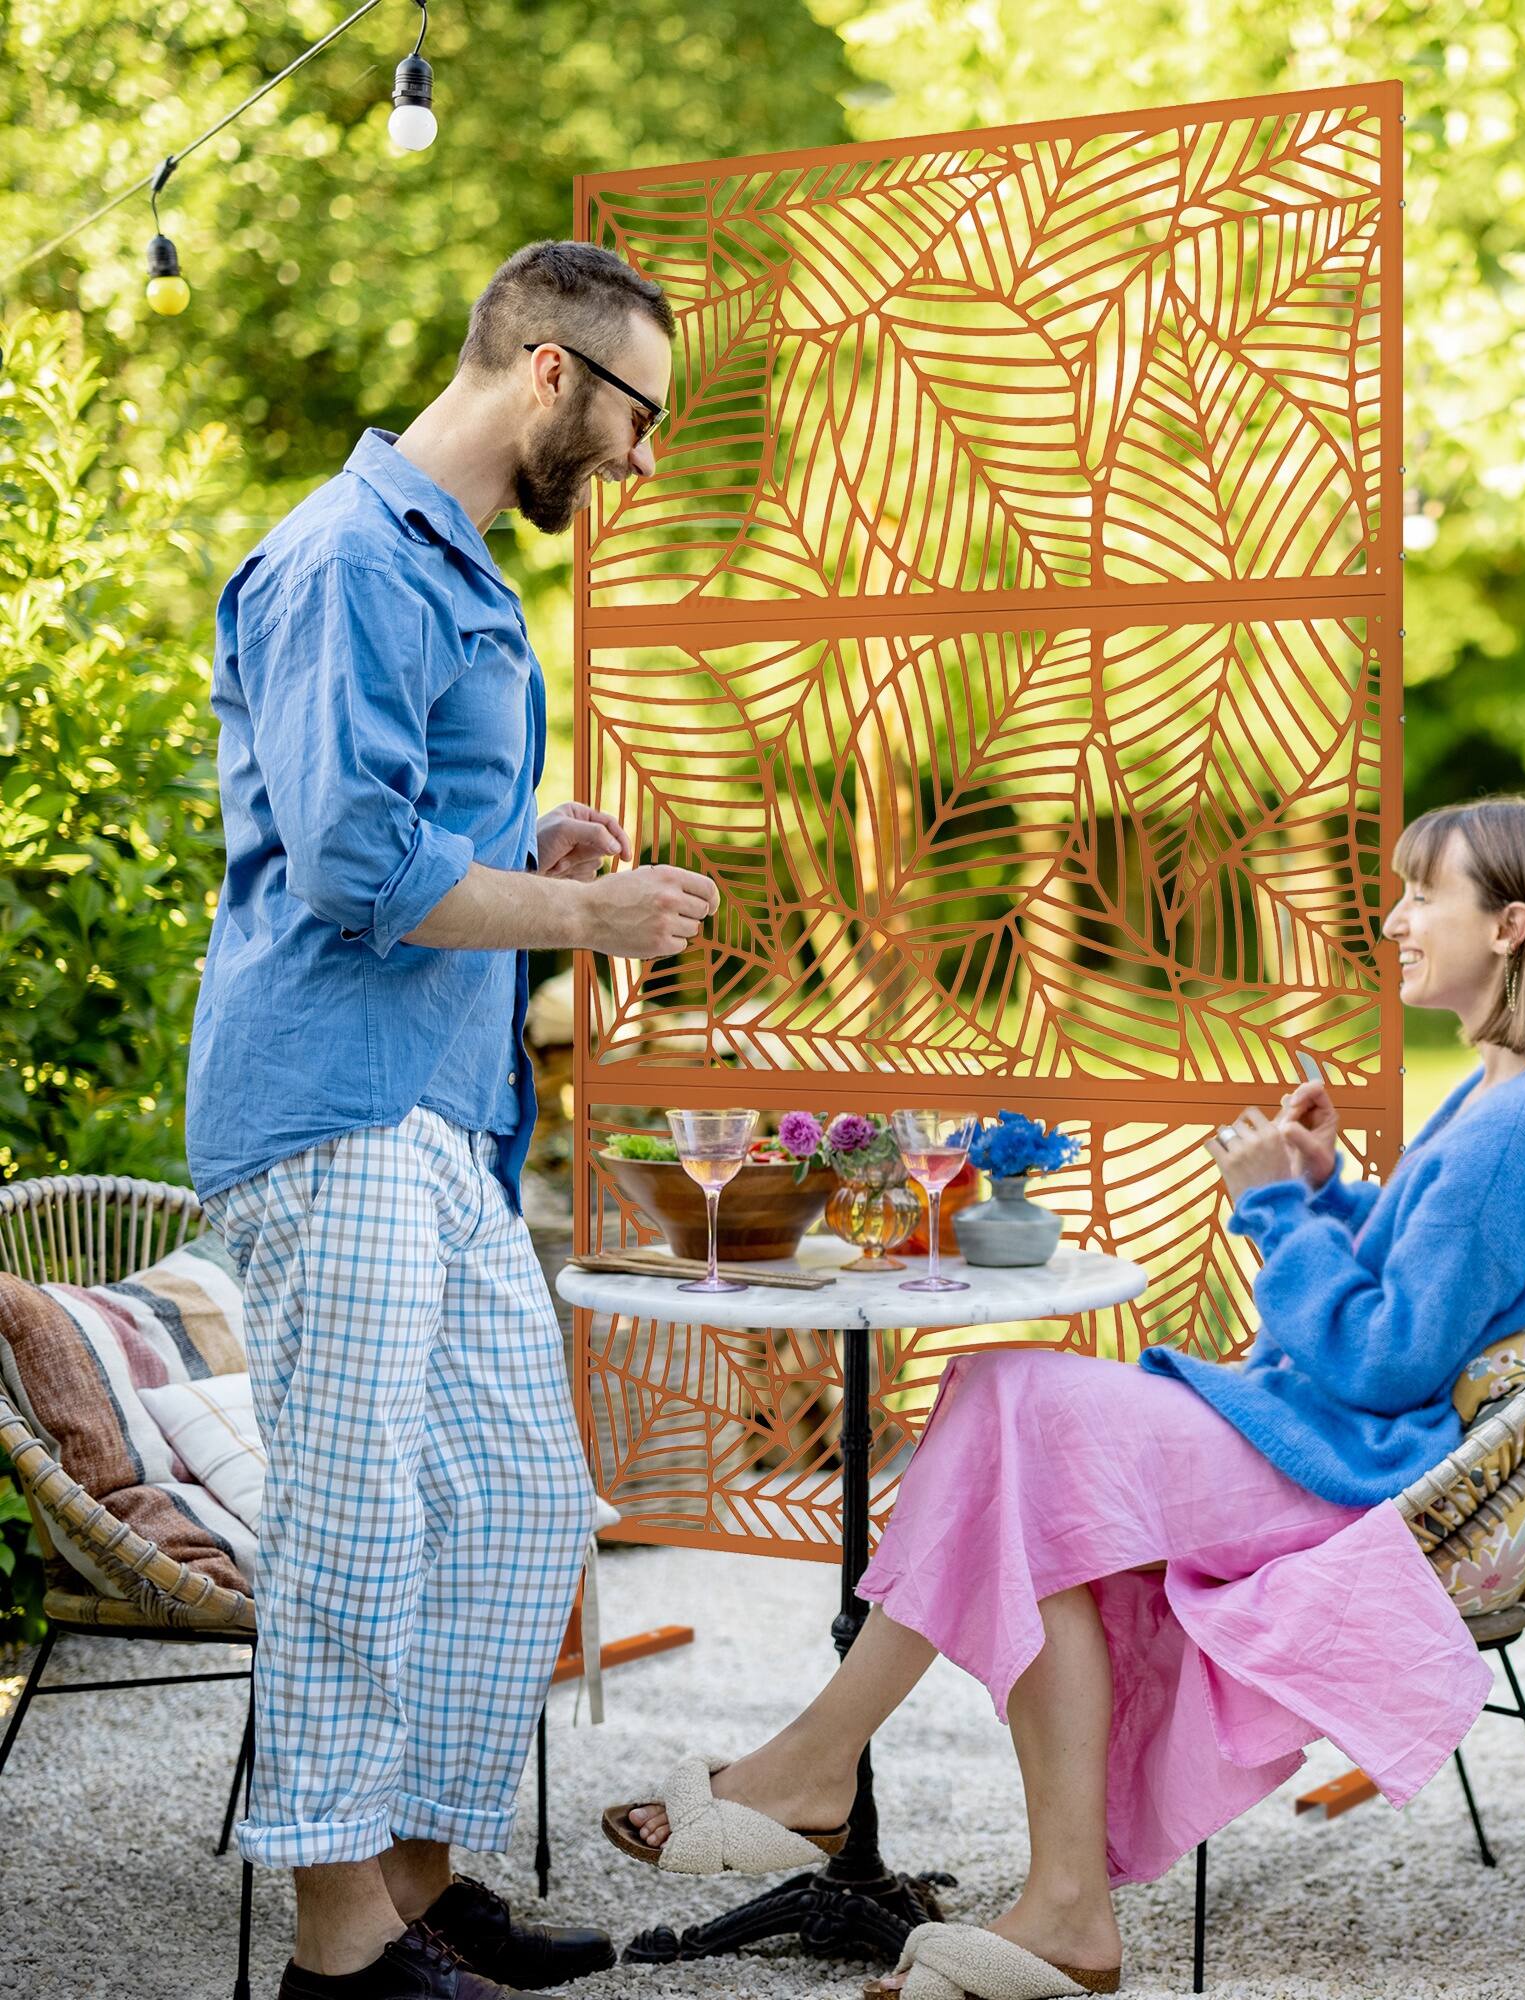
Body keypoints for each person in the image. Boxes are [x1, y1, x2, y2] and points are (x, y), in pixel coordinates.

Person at [602, 795, 1525, 2000]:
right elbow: (1433, 1287)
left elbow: (1388, 1356)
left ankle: (819, 1773)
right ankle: (1054, 1907)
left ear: (1509, 926)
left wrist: (1273, 1208)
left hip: (1347, 1471)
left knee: (1011, 1409)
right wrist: (1325, 1186)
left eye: (1422, 893)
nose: (1392, 916)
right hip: (1335, 1439)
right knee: (1024, 1459)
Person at [188, 241, 720, 2000]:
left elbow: (402, 824)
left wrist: (529, 847)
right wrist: (585, 918)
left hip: (432, 1115)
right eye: (640, 416)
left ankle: (409, 1890)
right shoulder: (349, 556)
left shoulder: (450, 569)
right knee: (357, 1520)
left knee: (514, 1503)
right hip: (333, 1101)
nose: (644, 463)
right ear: (553, 371)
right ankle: (341, 1959)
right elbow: (349, 865)